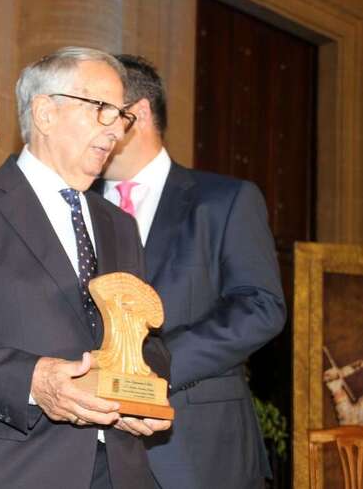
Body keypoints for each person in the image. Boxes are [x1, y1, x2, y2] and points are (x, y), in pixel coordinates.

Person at [0, 46, 171, 489]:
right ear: (45, 113)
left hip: (118, 471)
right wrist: (34, 379)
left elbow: (148, 337)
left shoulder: (120, 225)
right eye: (103, 109)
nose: (117, 130)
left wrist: (145, 392)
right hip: (7, 468)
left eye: (122, 116)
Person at [97, 54, 286, 489]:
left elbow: (261, 306)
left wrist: (154, 365)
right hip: (94, 456)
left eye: (102, 111)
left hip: (199, 452)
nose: (92, 126)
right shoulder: (77, 205)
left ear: (138, 114)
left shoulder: (224, 200)